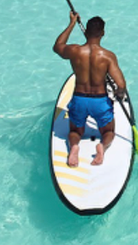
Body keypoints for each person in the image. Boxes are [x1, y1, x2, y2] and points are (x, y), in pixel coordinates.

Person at [53, 10, 128, 167]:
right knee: (108, 132)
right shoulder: (107, 56)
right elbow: (121, 84)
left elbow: (57, 47)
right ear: (103, 33)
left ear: (86, 32)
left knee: (75, 131)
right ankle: (102, 147)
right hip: (99, 101)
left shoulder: (75, 51)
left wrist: (72, 23)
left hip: (79, 99)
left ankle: (74, 147)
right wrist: (119, 94)